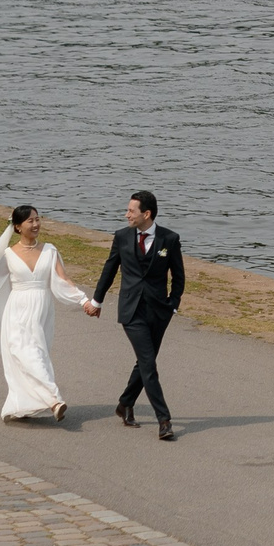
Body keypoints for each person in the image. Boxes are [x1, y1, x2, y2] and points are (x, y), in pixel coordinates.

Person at [0, 204, 98, 423]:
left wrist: (83, 299)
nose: (36, 224)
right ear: (18, 227)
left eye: (37, 219)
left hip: (42, 310)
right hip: (17, 309)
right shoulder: (9, 254)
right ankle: (54, 400)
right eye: (30, 221)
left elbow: (63, 280)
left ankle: (24, 406)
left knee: (38, 354)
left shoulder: (50, 250)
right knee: (23, 354)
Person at [91, 189, 187, 441]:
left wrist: (173, 304)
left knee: (145, 362)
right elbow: (109, 270)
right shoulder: (122, 237)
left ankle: (125, 404)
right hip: (131, 311)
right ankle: (164, 420)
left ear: (147, 214)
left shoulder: (170, 239)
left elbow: (179, 276)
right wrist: (96, 300)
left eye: (131, 211)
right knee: (148, 363)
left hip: (159, 312)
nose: (126, 215)